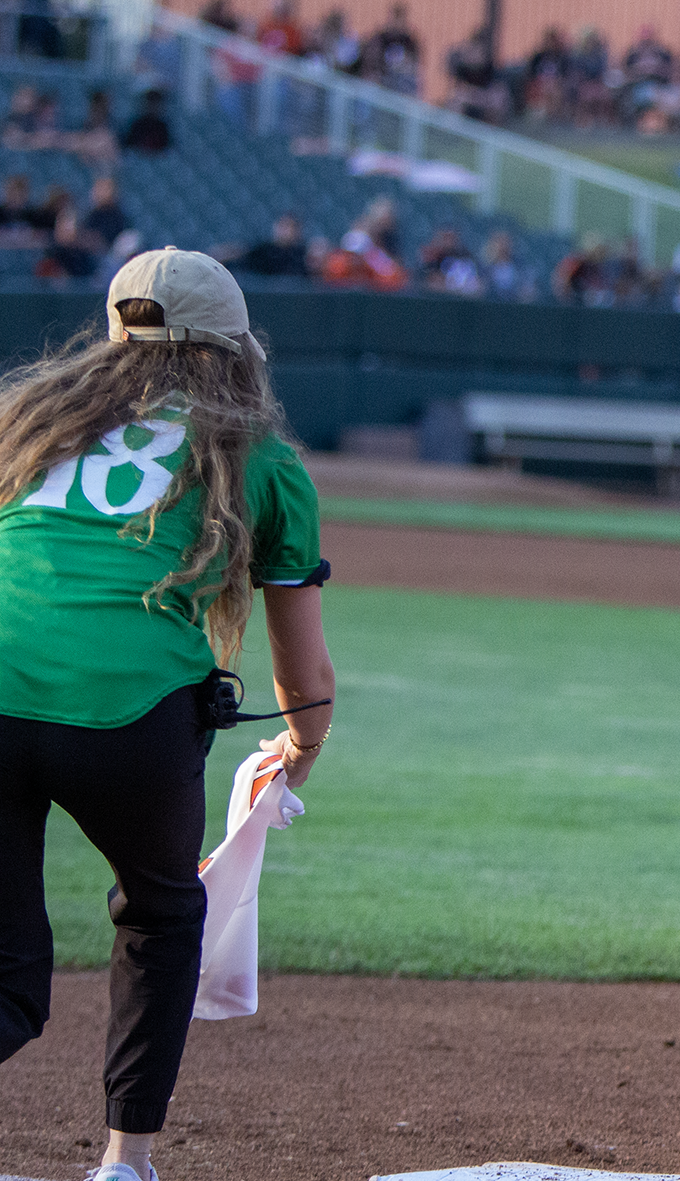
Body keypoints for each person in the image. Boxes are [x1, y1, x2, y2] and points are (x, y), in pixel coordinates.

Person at [0, 248, 335, 1181]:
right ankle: (124, 1161)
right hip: (130, 710)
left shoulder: (27, 422)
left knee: (8, 978)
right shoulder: (257, 458)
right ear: (232, 346)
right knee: (157, 914)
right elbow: (301, 664)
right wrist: (301, 745)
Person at [120, 90, 172, 155]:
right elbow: (129, 147)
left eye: (156, 104)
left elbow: (167, 150)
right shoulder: (137, 125)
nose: (153, 107)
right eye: (151, 103)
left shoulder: (163, 127)